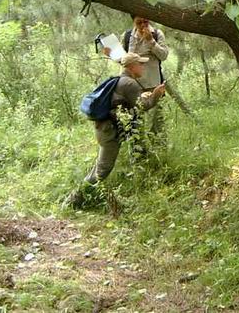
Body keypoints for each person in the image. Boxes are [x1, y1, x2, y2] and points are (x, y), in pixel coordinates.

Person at [64, 53, 166, 208]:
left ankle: (77, 199)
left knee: (102, 166)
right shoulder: (129, 83)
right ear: (131, 66)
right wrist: (156, 95)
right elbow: (142, 106)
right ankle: (72, 202)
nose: (143, 66)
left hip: (105, 128)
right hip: (109, 132)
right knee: (102, 169)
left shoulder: (121, 80)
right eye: (140, 63)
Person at [103, 15, 169, 143]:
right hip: (132, 86)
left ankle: (159, 148)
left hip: (152, 85)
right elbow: (124, 60)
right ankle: (139, 149)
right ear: (133, 22)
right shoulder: (127, 36)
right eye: (139, 23)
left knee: (156, 123)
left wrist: (151, 41)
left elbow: (164, 55)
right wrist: (111, 54)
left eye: (146, 21)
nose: (143, 25)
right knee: (135, 122)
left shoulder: (157, 34)